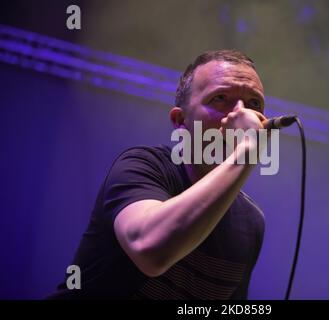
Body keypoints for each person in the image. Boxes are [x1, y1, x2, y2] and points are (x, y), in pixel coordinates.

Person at [48, 49, 267, 299]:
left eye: (254, 104)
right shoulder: (141, 167)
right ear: (180, 120)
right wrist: (247, 150)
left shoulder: (250, 222)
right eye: (220, 98)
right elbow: (150, 252)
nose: (242, 114)